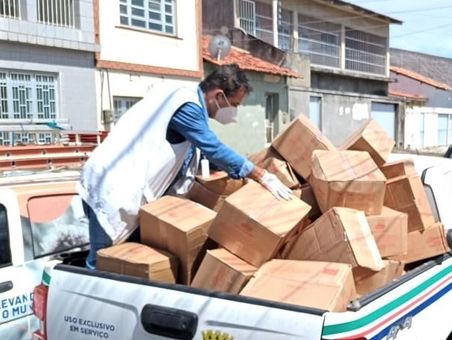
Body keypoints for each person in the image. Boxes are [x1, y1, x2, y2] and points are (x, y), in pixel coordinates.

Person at [79, 65, 292, 269]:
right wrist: (261, 175)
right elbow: (213, 148)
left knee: (128, 261)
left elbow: (198, 155)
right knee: (102, 261)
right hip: (113, 187)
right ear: (219, 96)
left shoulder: (187, 102)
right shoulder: (186, 105)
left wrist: (235, 170)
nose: (234, 111)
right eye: (234, 104)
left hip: (127, 188)